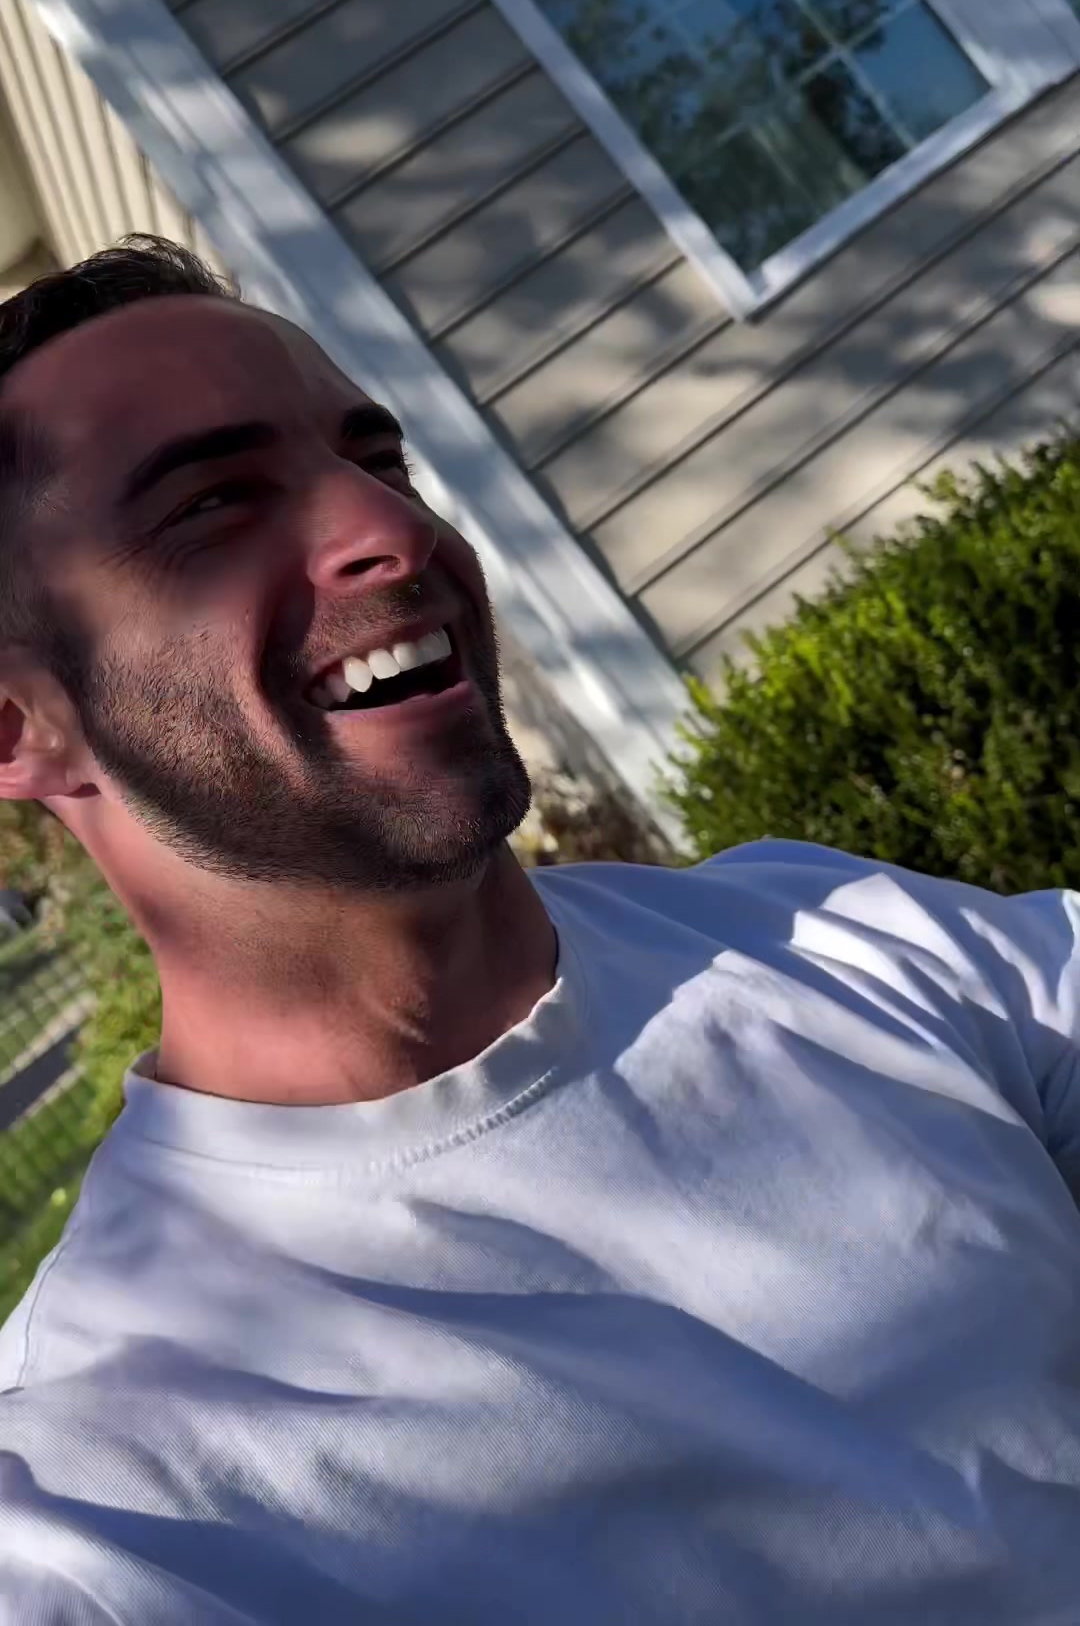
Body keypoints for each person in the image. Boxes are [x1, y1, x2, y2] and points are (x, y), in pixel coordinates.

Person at [0, 237, 1077, 1626]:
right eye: (212, 504)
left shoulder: (830, 941)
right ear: (18, 724)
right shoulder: (117, 1508)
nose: (391, 529)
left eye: (376, 459)